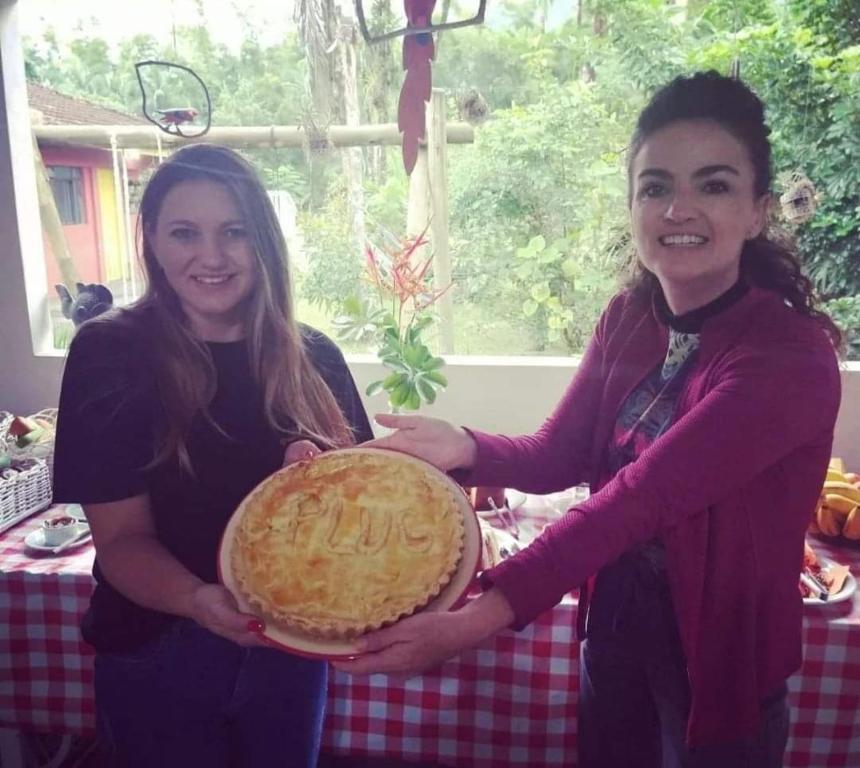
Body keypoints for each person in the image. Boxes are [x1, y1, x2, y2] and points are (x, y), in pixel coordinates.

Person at [334, 72, 842, 768]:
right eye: (656, 186)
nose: (678, 209)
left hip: (721, 656)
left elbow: (639, 500)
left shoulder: (788, 356)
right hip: (618, 624)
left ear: (757, 211)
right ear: (631, 203)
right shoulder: (628, 318)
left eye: (714, 185)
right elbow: (560, 453)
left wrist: (477, 620)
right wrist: (464, 446)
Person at [52, 144, 374, 768]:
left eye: (234, 231)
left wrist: (323, 496)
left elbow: (354, 524)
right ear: (151, 242)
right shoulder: (109, 354)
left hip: (289, 656)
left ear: (263, 241)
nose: (212, 256)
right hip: (157, 652)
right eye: (184, 233)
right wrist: (199, 600)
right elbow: (120, 543)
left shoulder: (315, 357)